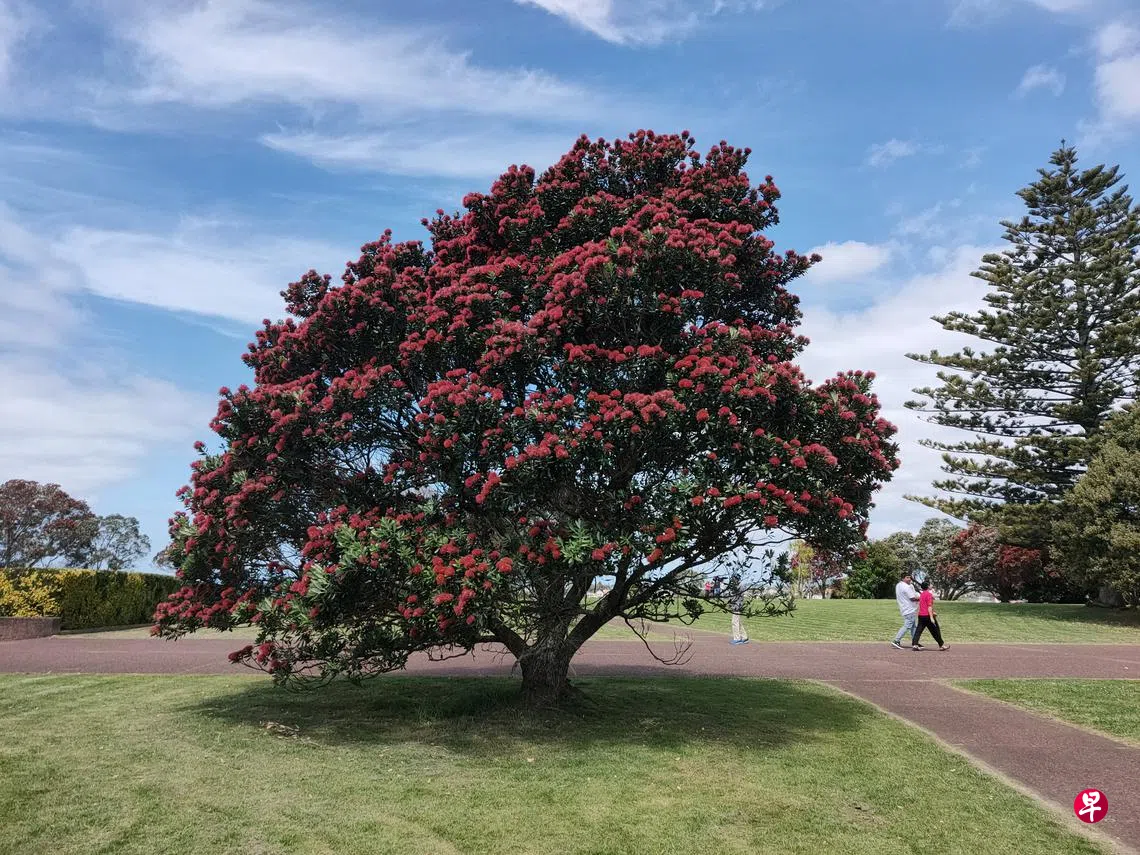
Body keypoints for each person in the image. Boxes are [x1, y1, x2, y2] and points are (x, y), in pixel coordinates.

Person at [912, 580, 949, 651]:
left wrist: (933, 612)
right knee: (935, 630)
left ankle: (915, 644)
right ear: (928, 586)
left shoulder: (922, 594)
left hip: (921, 615)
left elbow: (924, 605)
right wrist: (931, 617)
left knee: (918, 631)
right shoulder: (929, 594)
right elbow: (929, 606)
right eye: (930, 584)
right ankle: (941, 645)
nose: (931, 585)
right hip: (928, 616)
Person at [890, 571, 921, 650]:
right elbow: (912, 598)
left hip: (905, 608)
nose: (909, 579)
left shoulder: (899, 585)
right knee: (907, 626)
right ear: (903, 578)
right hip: (909, 609)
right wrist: (922, 598)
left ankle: (915, 642)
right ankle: (896, 640)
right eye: (907, 577)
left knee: (913, 626)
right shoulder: (906, 587)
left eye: (910, 577)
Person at [727, 573, 749, 645]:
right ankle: (744, 637)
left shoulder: (739, 586)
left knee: (734, 622)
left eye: (733, 578)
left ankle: (737, 638)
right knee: (738, 622)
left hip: (737, 606)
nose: (732, 580)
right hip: (737, 606)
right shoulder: (738, 586)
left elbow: (734, 596)